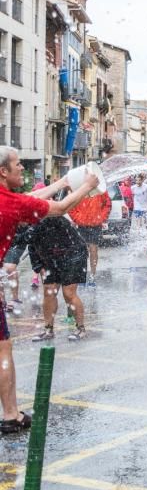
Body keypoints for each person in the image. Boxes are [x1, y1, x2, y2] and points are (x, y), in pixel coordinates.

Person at [0, 146, 99, 436]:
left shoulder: (8, 199)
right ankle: (9, 415)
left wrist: (62, 183)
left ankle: (11, 413)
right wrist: (87, 186)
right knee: (3, 350)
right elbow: (60, 209)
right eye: (18, 165)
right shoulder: (7, 202)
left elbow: (28, 200)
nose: (22, 169)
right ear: (3, 171)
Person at [27, 216, 90, 342]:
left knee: (68, 293)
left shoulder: (50, 216)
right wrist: (38, 266)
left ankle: (80, 329)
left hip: (74, 254)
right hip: (51, 257)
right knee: (49, 291)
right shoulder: (29, 224)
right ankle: (48, 330)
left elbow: (29, 237)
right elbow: (32, 245)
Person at [68, 190, 112, 288]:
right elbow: (70, 204)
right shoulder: (78, 186)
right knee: (81, 251)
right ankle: (81, 275)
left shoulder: (100, 188)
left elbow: (107, 204)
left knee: (93, 250)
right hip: (81, 225)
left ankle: (92, 275)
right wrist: (78, 218)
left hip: (95, 224)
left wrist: (101, 218)